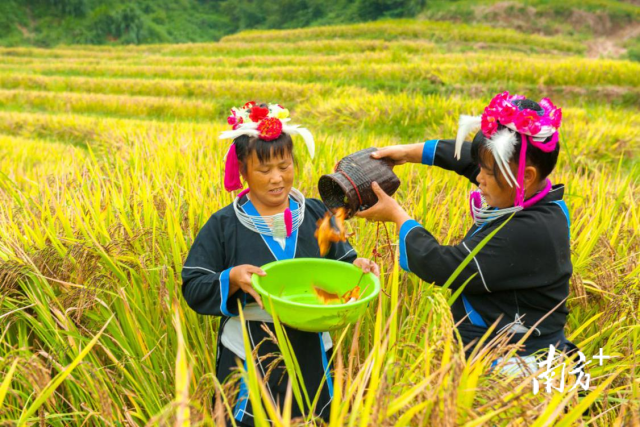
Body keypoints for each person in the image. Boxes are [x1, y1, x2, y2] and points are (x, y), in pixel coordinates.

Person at [181, 101, 379, 425]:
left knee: (317, 417)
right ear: (243, 171)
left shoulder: (317, 213)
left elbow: (342, 260)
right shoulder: (224, 224)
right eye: (264, 170)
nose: (277, 178)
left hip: (312, 348)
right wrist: (232, 277)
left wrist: (358, 265)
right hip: (249, 352)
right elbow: (193, 285)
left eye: (284, 166)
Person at [357, 92, 575, 373]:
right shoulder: (537, 195)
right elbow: (470, 161)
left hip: (515, 362)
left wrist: (397, 216)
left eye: (486, 172)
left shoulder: (529, 232)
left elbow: (444, 265)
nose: (478, 179)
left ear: (525, 176)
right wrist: (408, 153)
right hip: (495, 338)